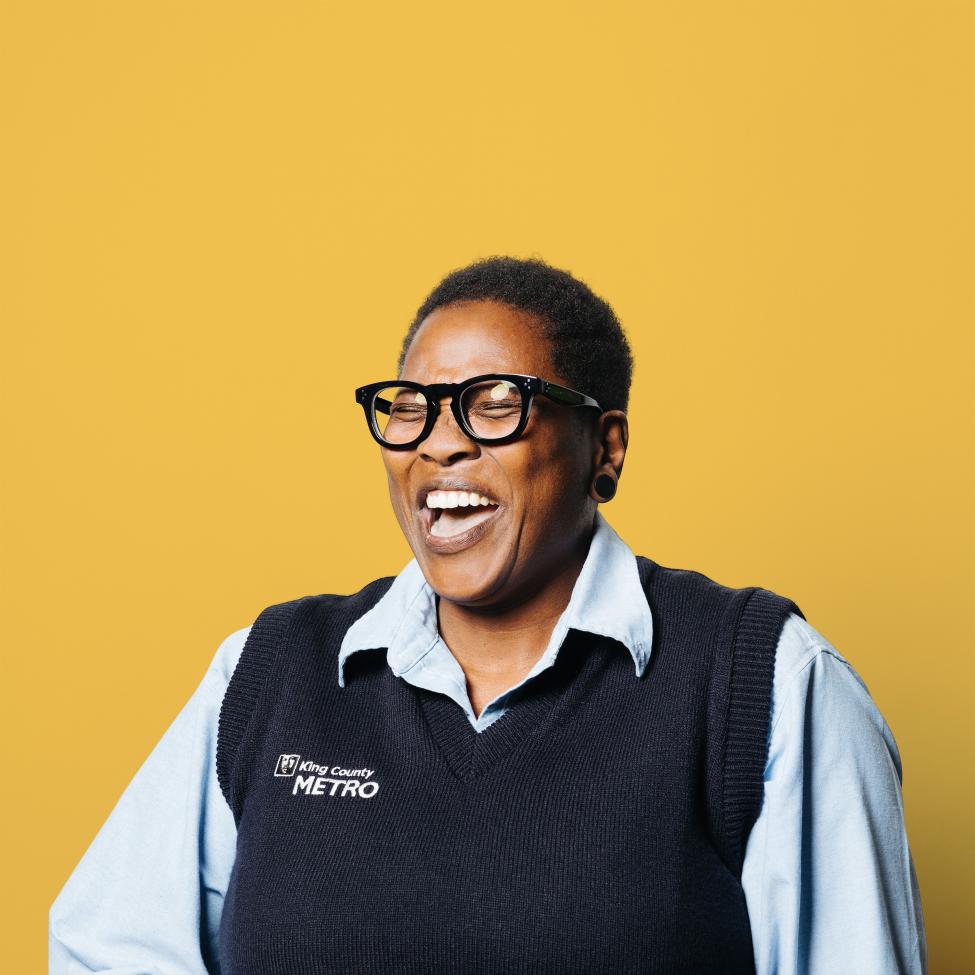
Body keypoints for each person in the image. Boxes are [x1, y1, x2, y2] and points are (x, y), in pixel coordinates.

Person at [49, 256, 927, 974]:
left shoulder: (765, 684)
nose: (439, 440)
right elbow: (102, 946)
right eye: (410, 406)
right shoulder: (273, 671)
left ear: (604, 447)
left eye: (495, 403)